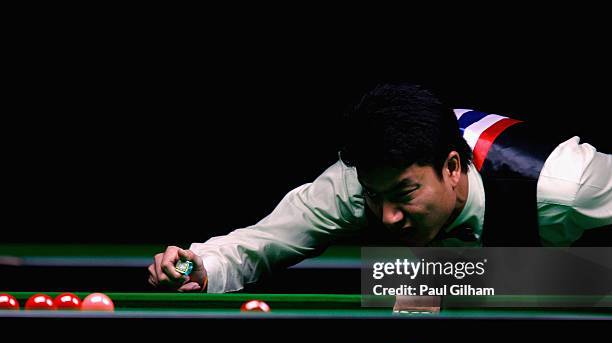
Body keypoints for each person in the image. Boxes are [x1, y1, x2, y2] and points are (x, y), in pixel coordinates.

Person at [147, 83, 612, 294]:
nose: (387, 216)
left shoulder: (567, 186)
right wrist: (200, 265)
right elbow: (257, 245)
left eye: (406, 194)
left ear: (452, 168)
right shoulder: (356, 183)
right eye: (376, 197)